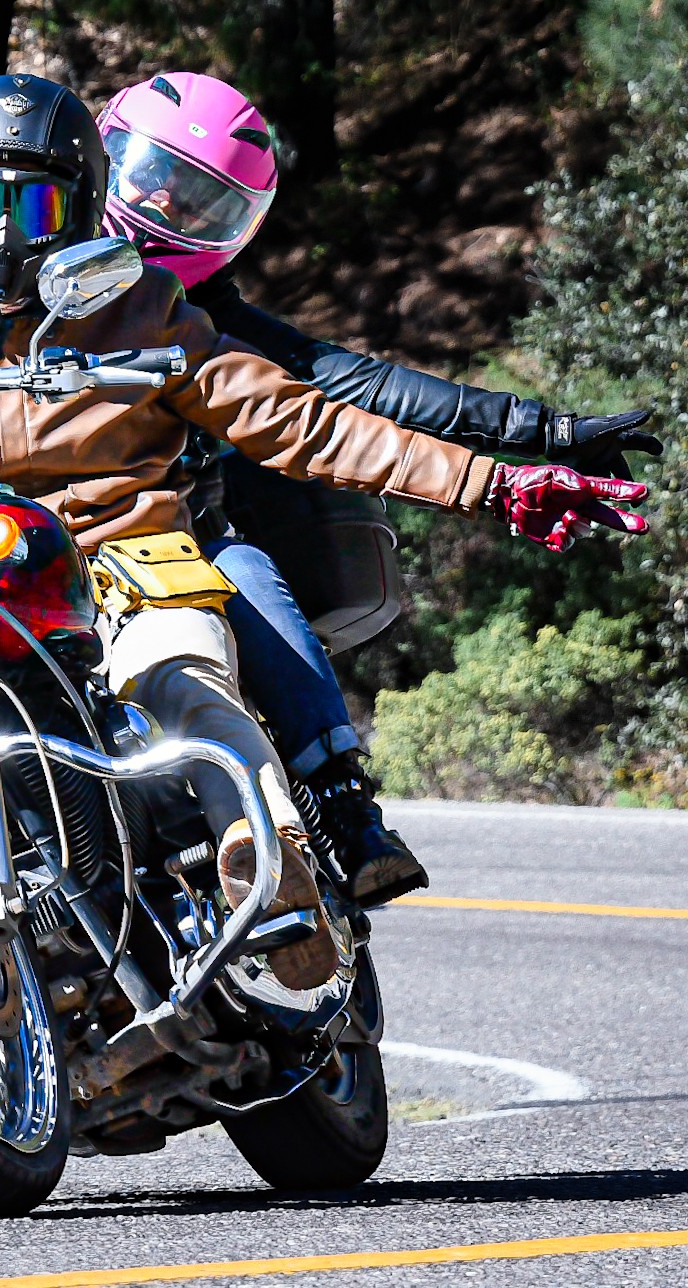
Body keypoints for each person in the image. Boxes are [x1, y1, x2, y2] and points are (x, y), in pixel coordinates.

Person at [0, 75, 648, 985]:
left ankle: (264, 853)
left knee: (183, 672)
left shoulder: (145, 310)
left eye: (34, 206)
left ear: (79, 209)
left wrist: (492, 482)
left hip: (119, 557)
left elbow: (307, 419)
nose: (2, 234)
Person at [97, 71, 663, 905]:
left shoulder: (205, 323)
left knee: (242, 576)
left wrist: (542, 431)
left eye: (197, 202)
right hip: (14, 535)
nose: (160, 206)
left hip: (169, 540)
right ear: (103, 158)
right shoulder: (1, 285)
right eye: (151, 175)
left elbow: (355, 388)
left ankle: (344, 810)